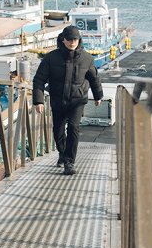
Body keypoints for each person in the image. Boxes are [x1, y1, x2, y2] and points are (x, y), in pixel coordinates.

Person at [32, 25, 103, 175]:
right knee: (58, 131)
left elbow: (94, 79)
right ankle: (62, 154)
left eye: (75, 39)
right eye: (69, 39)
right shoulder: (51, 58)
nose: (72, 42)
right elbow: (39, 80)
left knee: (73, 127)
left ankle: (69, 162)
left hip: (77, 101)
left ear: (79, 40)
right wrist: (38, 101)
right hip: (58, 100)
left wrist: (98, 96)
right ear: (63, 40)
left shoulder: (87, 59)